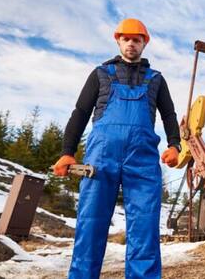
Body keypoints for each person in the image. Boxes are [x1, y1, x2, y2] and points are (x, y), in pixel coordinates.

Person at [53, 18, 181, 279]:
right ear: (118, 41)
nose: (131, 43)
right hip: (100, 161)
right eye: (126, 39)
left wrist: (174, 145)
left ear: (144, 43)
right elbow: (80, 112)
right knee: (91, 223)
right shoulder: (101, 74)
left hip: (143, 161)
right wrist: (67, 151)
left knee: (144, 226)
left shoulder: (156, 79)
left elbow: (169, 114)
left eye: (137, 39)